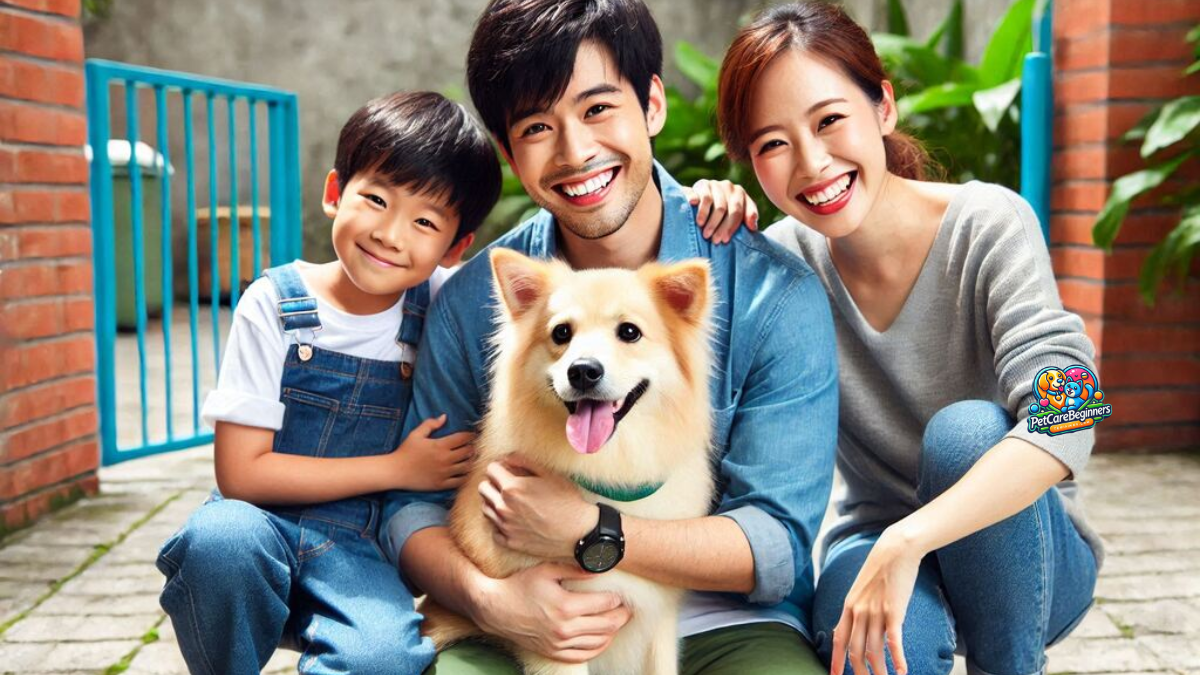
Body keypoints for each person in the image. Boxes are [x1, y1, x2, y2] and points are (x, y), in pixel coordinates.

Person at [377, 0, 840, 673]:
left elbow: (775, 545)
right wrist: (489, 596)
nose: (575, 151)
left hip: (719, 620)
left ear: (652, 105)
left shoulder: (769, 293)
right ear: (510, 153)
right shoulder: (482, 297)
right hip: (517, 613)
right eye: (538, 126)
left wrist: (596, 532)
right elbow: (410, 509)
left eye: (598, 108)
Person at [710, 4, 1103, 674]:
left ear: (883, 106)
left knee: (967, 433)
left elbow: (1071, 413)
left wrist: (911, 537)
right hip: (872, 541)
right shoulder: (773, 267)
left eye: (830, 119)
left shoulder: (991, 222)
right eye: (772, 144)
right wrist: (703, 230)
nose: (811, 163)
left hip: (1026, 553)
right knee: (871, 655)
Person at [155, 91, 501, 675]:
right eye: (375, 199)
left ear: (455, 248)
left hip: (358, 553)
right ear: (334, 193)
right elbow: (240, 476)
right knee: (219, 541)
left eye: (424, 221)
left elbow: (550, 270)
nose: (391, 234)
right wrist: (396, 469)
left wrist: (689, 203)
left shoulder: (443, 300)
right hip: (258, 529)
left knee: (387, 660)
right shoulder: (273, 304)